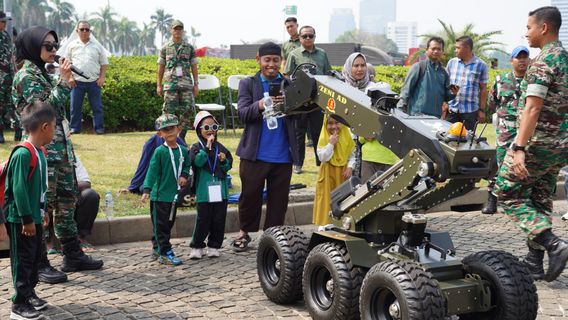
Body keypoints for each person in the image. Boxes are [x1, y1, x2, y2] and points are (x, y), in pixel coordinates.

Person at [12, 26, 103, 278]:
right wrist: (63, 83)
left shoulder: (43, 73)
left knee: (66, 202)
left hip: (60, 149)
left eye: (55, 45)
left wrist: (63, 82)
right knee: (42, 207)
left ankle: (72, 255)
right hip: (41, 153)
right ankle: (40, 262)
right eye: (48, 46)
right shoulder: (26, 76)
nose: (54, 51)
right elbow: (43, 113)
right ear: (32, 47)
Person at [494, 6, 568, 283]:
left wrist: (518, 149)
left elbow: (532, 109)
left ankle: (553, 244)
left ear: (544, 28)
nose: (526, 33)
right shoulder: (565, 59)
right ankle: (534, 263)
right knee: (539, 200)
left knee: (506, 192)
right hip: (560, 146)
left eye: (529, 28)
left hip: (538, 144)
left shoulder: (542, 62)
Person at [233, 42, 299, 251]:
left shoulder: (289, 84)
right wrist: (261, 104)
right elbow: (242, 113)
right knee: (249, 196)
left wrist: (289, 104)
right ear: (258, 60)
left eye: (276, 60)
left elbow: (300, 116)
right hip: (255, 153)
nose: (271, 64)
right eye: (267, 60)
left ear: (281, 61)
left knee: (279, 201)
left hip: (282, 155)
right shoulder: (248, 83)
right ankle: (245, 233)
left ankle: (272, 239)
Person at [4, 102, 55, 320]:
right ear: (45, 127)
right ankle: (19, 303)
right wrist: (26, 219)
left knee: (35, 258)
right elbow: (19, 189)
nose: (55, 130)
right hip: (21, 219)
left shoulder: (40, 152)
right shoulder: (23, 154)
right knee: (22, 260)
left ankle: (30, 293)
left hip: (34, 217)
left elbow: (40, 188)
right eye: (54, 126)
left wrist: (42, 212)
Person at [481, 46, 529, 215]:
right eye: (519, 57)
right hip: (506, 131)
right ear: (512, 61)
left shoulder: (533, 81)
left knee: (526, 165)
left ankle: (521, 203)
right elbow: (492, 103)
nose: (522, 60)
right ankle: (492, 199)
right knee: (501, 165)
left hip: (526, 130)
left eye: (525, 57)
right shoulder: (501, 80)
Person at [341, 53, 400, 182]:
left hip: (366, 143)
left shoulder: (373, 89)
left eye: (363, 65)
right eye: (355, 65)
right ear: (349, 67)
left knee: (363, 183)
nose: (360, 69)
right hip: (345, 141)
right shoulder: (341, 88)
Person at [141, 113, 190, 266]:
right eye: (165, 129)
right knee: (161, 226)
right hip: (159, 196)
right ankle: (165, 252)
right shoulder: (159, 152)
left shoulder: (183, 150)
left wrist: (184, 175)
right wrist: (147, 190)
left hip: (173, 195)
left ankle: (157, 247)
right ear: (160, 134)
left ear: (179, 129)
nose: (169, 132)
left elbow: (187, 165)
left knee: (167, 224)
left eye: (172, 128)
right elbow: (152, 171)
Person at [285, 26, 331, 174]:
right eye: (304, 36)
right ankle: (298, 164)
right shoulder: (293, 54)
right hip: (299, 101)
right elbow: (286, 76)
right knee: (299, 133)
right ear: (299, 38)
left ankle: (320, 162)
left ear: (315, 37)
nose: (307, 39)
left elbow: (327, 73)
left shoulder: (322, 54)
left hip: (318, 100)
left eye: (310, 36)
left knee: (319, 132)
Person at [188, 111, 232, 259]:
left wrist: (223, 161)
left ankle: (214, 245)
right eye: (206, 127)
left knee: (219, 219)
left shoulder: (221, 148)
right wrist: (207, 148)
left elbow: (227, 167)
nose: (211, 130)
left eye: (214, 126)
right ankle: (197, 246)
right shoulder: (195, 148)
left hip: (220, 191)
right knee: (203, 219)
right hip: (203, 192)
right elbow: (198, 162)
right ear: (199, 130)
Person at [157, 19, 199, 142]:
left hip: (186, 84)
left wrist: (196, 84)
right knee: (168, 111)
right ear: (171, 30)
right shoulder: (165, 48)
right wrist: (159, 85)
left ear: (183, 31)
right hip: (170, 85)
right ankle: (168, 137)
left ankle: (181, 137)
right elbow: (160, 67)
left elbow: (194, 67)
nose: (177, 31)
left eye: (180, 29)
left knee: (187, 110)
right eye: (175, 29)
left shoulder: (189, 48)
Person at [65, 20, 109, 134]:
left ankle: (99, 128)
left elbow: (104, 63)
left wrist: (102, 77)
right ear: (77, 31)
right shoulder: (71, 46)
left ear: (90, 31)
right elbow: (66, 63)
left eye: (87, 29)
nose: (85, 31)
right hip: (77, 82)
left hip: (94, 82)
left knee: (97, 107)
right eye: (82, 29)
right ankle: (74, 128)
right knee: (75, 107)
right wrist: (70, 77)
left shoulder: (97, 46)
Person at [398, 37, 458, 118]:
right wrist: (400, 109)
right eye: (433, 48)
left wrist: (453, 93)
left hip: (435, 117)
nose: (436, 51)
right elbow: (406, 90)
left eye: (439, 49)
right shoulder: (418, 67)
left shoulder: (443, 73)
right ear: (426, 50)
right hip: (417, 116)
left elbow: (446, 97)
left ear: (442, 51)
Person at [313, 115, 356, 225]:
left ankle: (343, 225)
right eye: (330, 123)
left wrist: (350, 167)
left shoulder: (347, 136)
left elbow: (352, 154)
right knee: (326, 200)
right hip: (327, 174)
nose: (334, 126)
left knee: (344, 200)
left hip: (343, 174)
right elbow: (323, 157)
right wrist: (331, 144)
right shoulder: (324, 138)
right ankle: (324, 225)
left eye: (337, 123)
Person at [446, 35, 489, 130]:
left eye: (458, 48)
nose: (455, 50)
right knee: (448, 139)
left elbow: (483, 89)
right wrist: (444, 103)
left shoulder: (481, 65)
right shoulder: (452, 63)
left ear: (467, 48)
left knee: (468, 140)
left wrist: (482, 110)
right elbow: (445, 85)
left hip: (470, 112)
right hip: (452, 110)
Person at [0, 11, 20, 143]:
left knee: (12, 103)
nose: (5, 24)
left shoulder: (6, 35)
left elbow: (12, 54)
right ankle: (0, 134)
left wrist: (15, 69)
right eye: (3, 21)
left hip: (9, 75)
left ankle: (19, 130)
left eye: (6, 21)